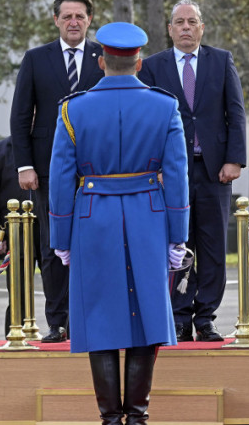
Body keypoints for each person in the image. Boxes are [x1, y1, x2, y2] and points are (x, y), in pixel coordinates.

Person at [48, 22, 190, 425]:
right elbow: (177, 178)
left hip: (93, 218)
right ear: (140, 62)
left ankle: (111, 419)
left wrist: (61, 237)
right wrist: (178, 235)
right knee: (148, 314)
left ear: (100, 62)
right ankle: (139, 417)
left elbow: (60, 180)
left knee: (99, 317)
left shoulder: (72, 108)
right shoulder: (165, 106)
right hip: (149, 216)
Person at [137, 0, 247, 342]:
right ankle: (180, 316)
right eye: (179, 22)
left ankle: (206, 317)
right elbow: (147, 119)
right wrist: (151, 166)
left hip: (214, 172)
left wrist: (234, 159)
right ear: (169, 30)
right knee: (178, 246)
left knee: (213, 247)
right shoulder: (153, 66)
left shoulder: (221, 61)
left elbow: (236, 113)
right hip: (170, 174)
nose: (186, 27)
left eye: (192, 22)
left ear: (202, 28)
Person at [9, 0, 105, 343]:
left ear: (90, 20)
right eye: (67, 16)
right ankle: (58, 321)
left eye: (80, 16)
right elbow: (21, 116)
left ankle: (92, 317)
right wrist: (24, 166)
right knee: (53, 246)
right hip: (49, 171)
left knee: (95, 245)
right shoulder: (36, 59)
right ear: (56, 20)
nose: (74, 22)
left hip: (98, 170)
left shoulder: (103, 57)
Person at [0, 135, 42, 337]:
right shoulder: (0, 151)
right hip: (14, 237)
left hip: (50, 233)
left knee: (60, 296)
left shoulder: (52, 145)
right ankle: (15, 338)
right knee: (18, 297)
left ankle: (62, 337)